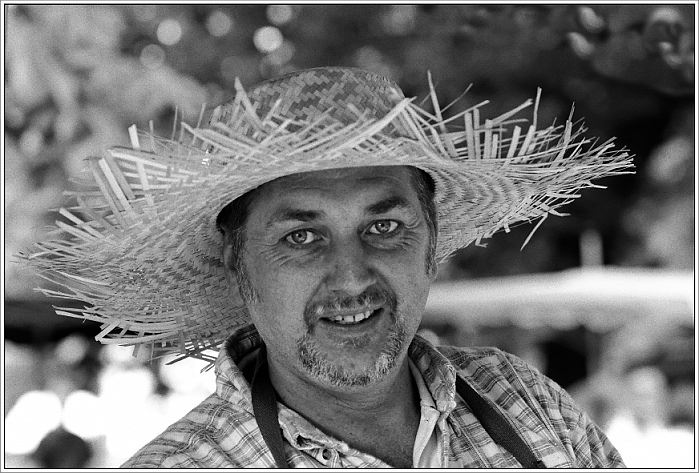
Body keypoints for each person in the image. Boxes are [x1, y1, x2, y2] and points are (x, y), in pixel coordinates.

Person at [21, 67, 634, 468]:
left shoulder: (523, 402)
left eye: (384, 227)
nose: (352, 276)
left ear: (431, 244)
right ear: (237, 261)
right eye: (302, 236)